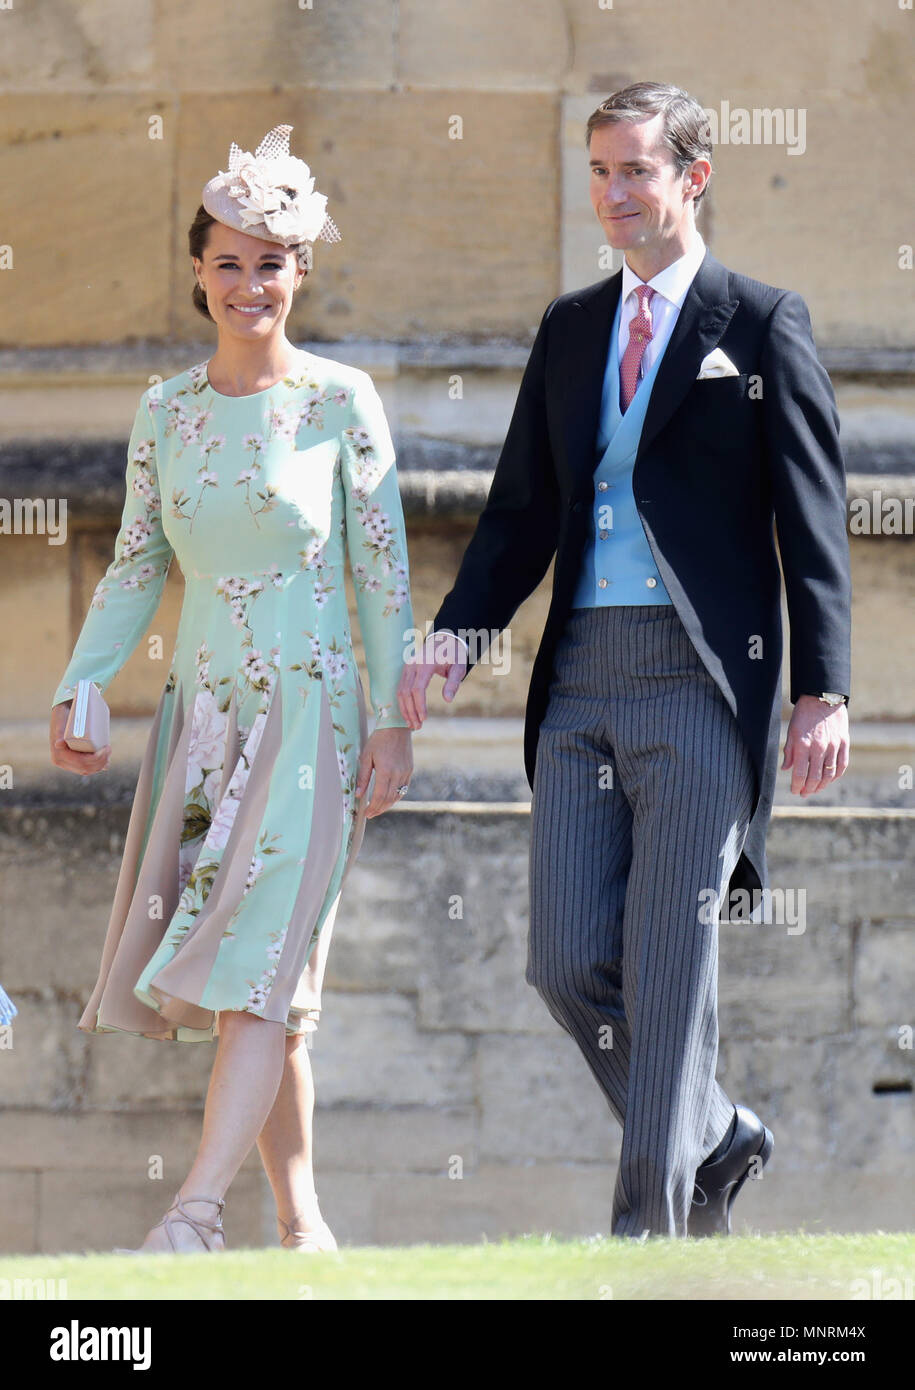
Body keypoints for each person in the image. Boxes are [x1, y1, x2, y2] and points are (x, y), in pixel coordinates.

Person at [398, 82, 851, 1239]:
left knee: (669, 964)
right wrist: (453, 639)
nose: (613, 193)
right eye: (599, 171)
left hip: (703, 680)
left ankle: (646, 1234)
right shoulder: (569, 329)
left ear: (693, 176)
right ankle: (717, 1131)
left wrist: (823, 690)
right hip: (581, 674)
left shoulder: (761, 323)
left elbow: (813, 521)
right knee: (563, 961)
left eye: (636, 170)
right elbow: (517, 515)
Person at [49, 124, 414, 1254]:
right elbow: (136, 565)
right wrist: (83, 681)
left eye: (271, 261)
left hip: (315, 718)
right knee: (267, 985)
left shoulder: (344, 401)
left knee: (256, 967)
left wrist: (395, 720)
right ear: (199, 272)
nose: (249, 283)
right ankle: (305, 1227)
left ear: (300, 270)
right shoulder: (164, 413)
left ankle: (195, 1212)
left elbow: (384, 573)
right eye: (229, 261)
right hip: (203, 726)